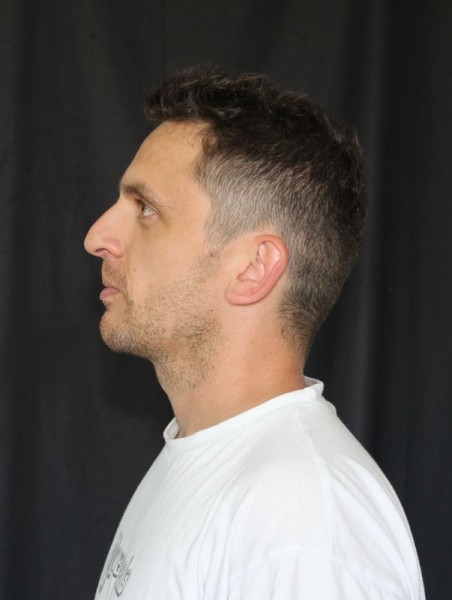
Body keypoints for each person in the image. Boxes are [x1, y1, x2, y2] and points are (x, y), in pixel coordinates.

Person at [84, 67, 425, 599]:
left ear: (253, 268)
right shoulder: (213, 462)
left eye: (145, 208)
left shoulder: (301, 522)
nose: (97, 237)